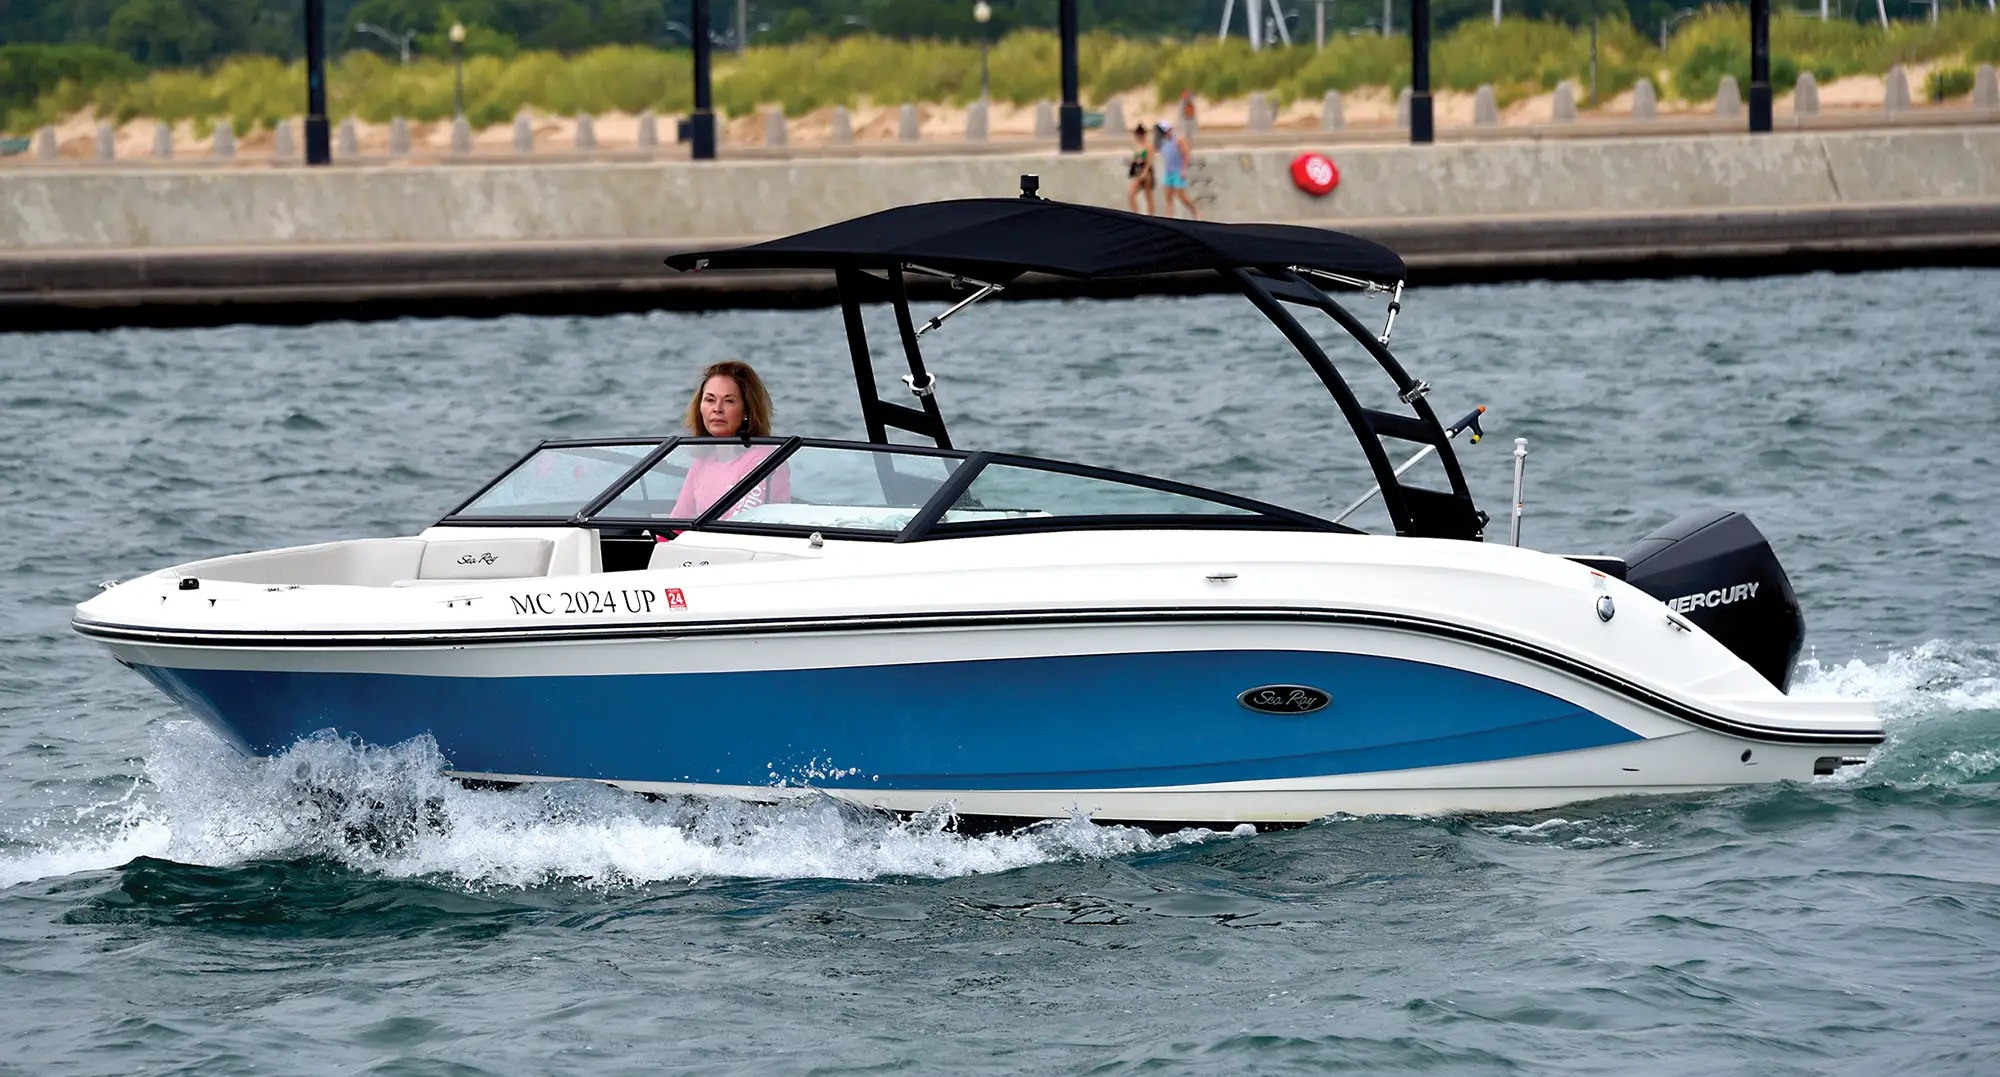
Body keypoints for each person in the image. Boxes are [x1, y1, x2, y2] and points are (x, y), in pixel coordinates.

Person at [669, 360, 790, 520]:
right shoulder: (703, 459)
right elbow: (678, 521)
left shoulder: (765, 461)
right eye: (710, 400)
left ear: (747, 411)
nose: (717, 408)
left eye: (729, 401)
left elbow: (737, 527)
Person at [1157, 120, 1200, 221]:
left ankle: (1195, 212)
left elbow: (1186, 154)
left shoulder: (1178, 139)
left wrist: (1183, 169)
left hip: (1177, 171)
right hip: (1169, 172)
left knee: (1181, 196)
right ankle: (1169, 218)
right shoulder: (1164, 142)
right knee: (1168, 197)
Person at [1126, 123, 1155, 215]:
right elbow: (1135, 159)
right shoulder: (1138, 146)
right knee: (1131, 193)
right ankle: (1135, 213)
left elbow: (1149, 161)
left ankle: (1151, 215)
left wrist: (1145, 172)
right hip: (1137, 169)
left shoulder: (1148, 145)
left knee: (1148, 195)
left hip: (1145, 169)